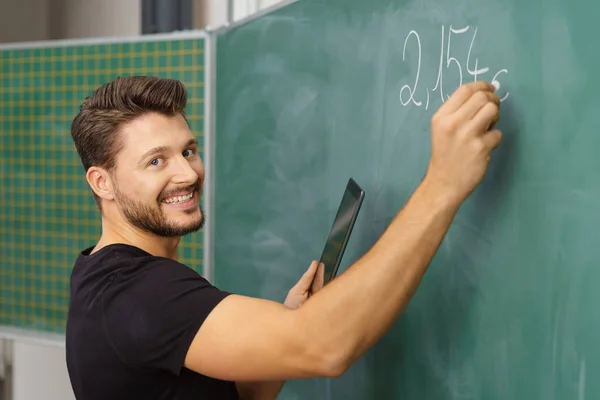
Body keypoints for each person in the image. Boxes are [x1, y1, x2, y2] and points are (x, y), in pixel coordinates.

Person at [65, 75, 502, 400]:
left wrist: (292, 317)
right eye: (156, 161)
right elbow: (325, 348)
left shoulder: (102, 273)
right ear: (102, 182)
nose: (187, 173)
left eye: (188, 150)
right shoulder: (140, 292)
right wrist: (443, 185)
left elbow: (237, 395)